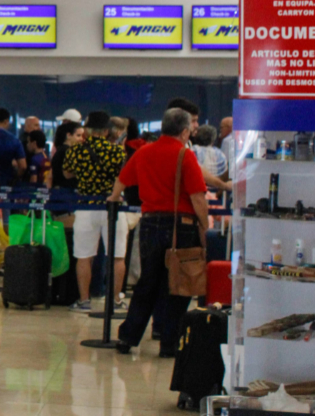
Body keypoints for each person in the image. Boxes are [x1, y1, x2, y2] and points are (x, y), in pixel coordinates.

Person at [111, 107, 210, 357]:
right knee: (177, 285)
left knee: (147, 283)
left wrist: (113, 197)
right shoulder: (184, 156)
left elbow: (122, 180)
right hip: (181, 227)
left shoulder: (144, 152)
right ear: (185, 131)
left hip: (150, 224)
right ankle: (169, 342)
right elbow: (198, 197)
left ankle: (128, 337)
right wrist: (204, 225)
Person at [62, 111, 128, 312]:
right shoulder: (117, 152)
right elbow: (124, 176)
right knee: (117, 256)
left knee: (84, 256)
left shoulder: (76, 151)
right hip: (113, 205)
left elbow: (66, 173)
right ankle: (115, 300)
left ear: (88, 130)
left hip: (86, 206)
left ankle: (84, 300)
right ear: (107, 130)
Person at [167, 98, 231, 193]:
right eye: (193, 121)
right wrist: (224, 185)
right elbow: (197, 173)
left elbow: (198, 171)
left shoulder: (187, 145)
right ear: (179, 121)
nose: (197, 125)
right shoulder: (174, 150)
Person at [0, 108, 26, 188]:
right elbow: (23, 166)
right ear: (6, 121)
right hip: (6, 182)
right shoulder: (14, 140)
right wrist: (15, 178)